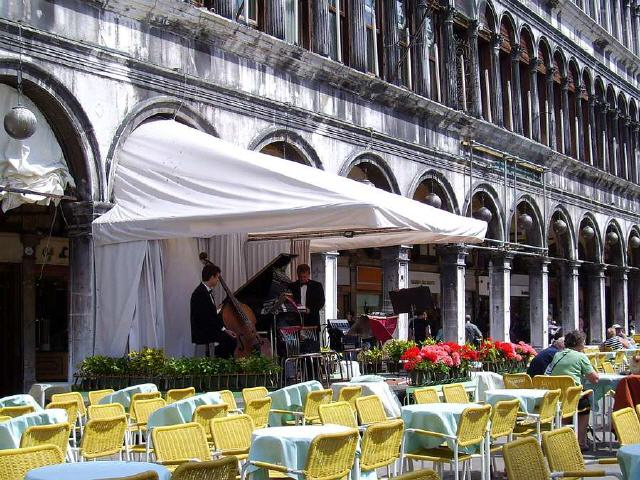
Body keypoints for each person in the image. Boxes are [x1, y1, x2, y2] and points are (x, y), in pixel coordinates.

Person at [546, 330, 599, 450]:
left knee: (569, 404)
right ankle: (581, 442)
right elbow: (594, 379)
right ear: (579, 343)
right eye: (584, 342)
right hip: (573, 398)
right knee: (585, 404)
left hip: (558, 397)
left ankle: (564, 439)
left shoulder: (558, 355)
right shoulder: (580, 356)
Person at [190, 263, 237, 358]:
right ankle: (222, 365)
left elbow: (209, 313)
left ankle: (222, 362)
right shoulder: (200, 293)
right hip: (203, 331)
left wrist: (225, 329)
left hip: (208, 327)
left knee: (229, 338)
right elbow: (206, 317)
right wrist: (224, 330)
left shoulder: (205, 291)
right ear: (211, 277)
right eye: (217, 278)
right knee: (230, 340)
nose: (218, 281)